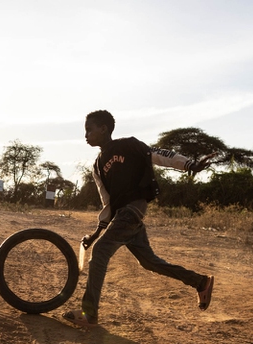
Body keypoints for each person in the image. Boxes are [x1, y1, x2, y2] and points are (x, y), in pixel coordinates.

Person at [63, 110, 215, 328]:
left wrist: (189, 164)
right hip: (125, 217)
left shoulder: (128, 145)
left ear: (104, 129)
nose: (85, 135)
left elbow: (158, 154)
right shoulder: (97, 167)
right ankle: (200, 282)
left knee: (100, 252)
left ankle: (89, 313)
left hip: (132, 210)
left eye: (89, 130)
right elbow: (107, 202)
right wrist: (97, 233)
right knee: (149, 262)